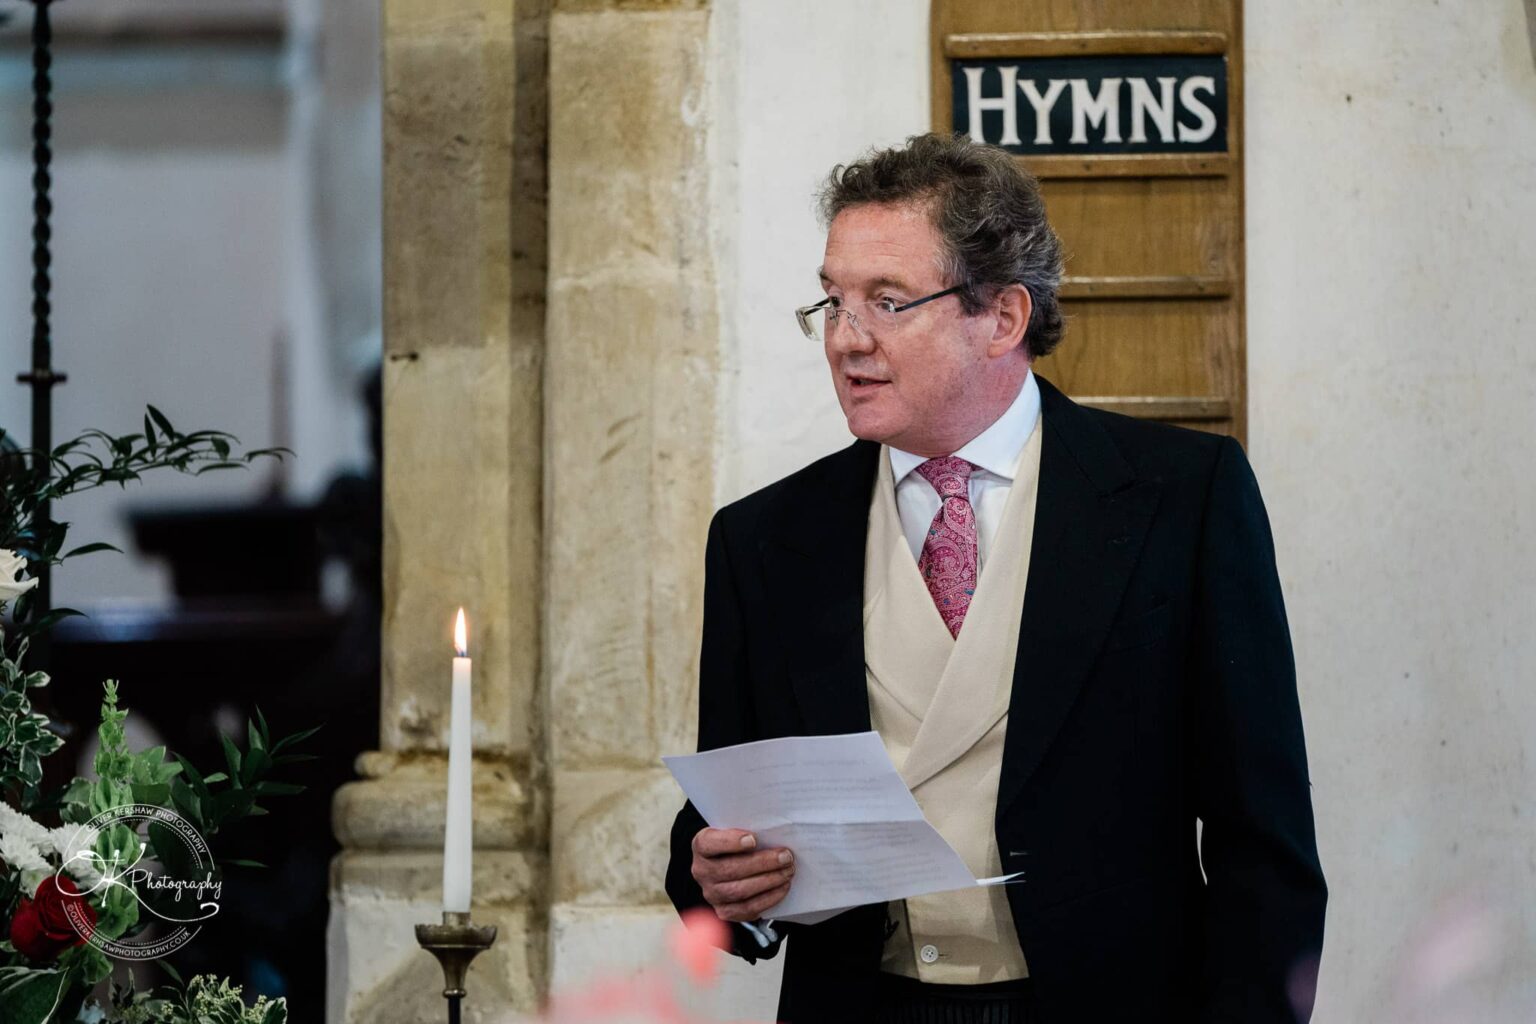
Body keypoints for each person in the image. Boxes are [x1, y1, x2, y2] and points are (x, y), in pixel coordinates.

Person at [665, 132, 1326, 1023]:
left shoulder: (1183, 500)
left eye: (887, 302)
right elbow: (719, 829)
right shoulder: (761, 539)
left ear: (1004, 317)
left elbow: (1264, 847)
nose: (843, 341)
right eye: (832, 301)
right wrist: (718, 881)